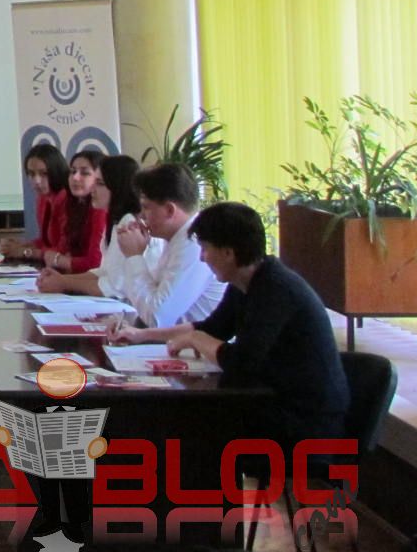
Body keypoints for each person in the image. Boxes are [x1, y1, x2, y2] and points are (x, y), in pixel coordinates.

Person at [114, 201, 349, 452]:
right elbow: (213, 328)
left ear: (228, 253)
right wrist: (142, 335)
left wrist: (196, 339)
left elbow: (241, 363)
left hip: (304, 422)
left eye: (205, 249)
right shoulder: (247, 280)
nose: (202, 257)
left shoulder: (275, 289)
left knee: (179, 429)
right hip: (275, 399)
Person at [111, 162, 226, 326]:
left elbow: (157, 318)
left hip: (193, 342)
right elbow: (150, 300)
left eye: (146, 207)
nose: (141, 215)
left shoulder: (194, 244)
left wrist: (134, 257)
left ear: (170, 210)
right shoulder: (176, 238)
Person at [36, 154, 148, 298]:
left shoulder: (129, 224)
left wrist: (64, 283)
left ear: (118, 187)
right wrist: (61, 279)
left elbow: (112, 288)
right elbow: (103, 271)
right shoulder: (116, 220)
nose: (92, 189)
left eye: (100, 184)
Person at [0, 146, 107, 271]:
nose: (37, 181)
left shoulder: (95, 208)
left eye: (44, 173)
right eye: (73, 171)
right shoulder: (53, 200)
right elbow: (49, 243)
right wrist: (22, 245)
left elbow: (89, 260)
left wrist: (27, 252)